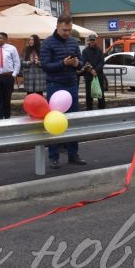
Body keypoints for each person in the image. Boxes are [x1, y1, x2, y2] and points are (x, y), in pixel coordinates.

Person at [40, 14, 87, 169]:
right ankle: (54, 156)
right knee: (54, 122)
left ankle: (73, 154)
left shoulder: (73, 42)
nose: (67, 33)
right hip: (55, 85)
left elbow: (81, 64)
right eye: (64, 30)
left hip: (71, 85)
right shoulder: (47, 43)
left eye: (69, 30)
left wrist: (75, 63)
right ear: (57, 26)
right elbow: (45, 66)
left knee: (72, 121)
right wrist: (62, 63)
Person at [0, 31, 20, 120]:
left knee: (7, 98)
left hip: (8, 77)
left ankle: (7, 117)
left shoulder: (12, 48)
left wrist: (14, 75)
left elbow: (17, 62)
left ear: (5, 39)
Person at [81, 33, 107, 111]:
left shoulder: (100, 50)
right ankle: (89, 109)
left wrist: (95, 70)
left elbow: (102, 62)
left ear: (96, 40)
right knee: (89, 94)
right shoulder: (85, 51)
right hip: (89, 75)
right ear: (89, 41)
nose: (92, 41)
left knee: (101, 93)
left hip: (98, 75)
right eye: (91, 40)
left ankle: (102, 109)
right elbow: (85, 62)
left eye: (93, 39)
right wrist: (91, 70)